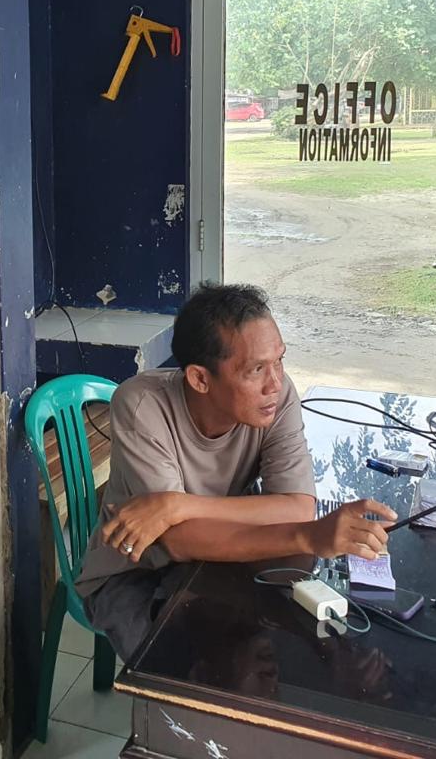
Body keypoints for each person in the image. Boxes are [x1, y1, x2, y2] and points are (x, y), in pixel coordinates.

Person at [75, 281, 396, 658]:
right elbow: (180, 540)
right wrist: (309, 537)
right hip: (136, 571)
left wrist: (179, 505)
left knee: (282, 642)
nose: (274, 383)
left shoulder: (277, 396)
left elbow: (297, 506)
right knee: (175, 671)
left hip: (217, 558)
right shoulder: (142, 405)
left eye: (279, 360)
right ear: (200, 378)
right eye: (255, 369)